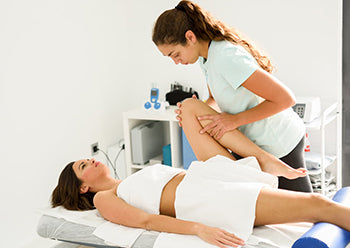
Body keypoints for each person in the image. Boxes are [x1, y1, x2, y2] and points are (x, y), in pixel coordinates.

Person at [52, 98, 350, 248]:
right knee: (317, 206)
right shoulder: (106, 197)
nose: (91, 162)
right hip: (209, 197)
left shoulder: (128, 180)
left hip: (208, 177)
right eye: (83, 166)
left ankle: (265, 159)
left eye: (86, 161)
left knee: (190, 106)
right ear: (81, 189)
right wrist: (198, 229)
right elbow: (146, 221)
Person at [152, 0, 312, 192]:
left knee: (306, 215)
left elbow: (285, 99)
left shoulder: (226, 57)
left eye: (175, 54)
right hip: (252, 145)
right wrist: (196, 113)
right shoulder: (205, 58)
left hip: (279, 144)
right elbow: (215, 99)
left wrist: (234, 120)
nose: (176, 62)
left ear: (190, 37)